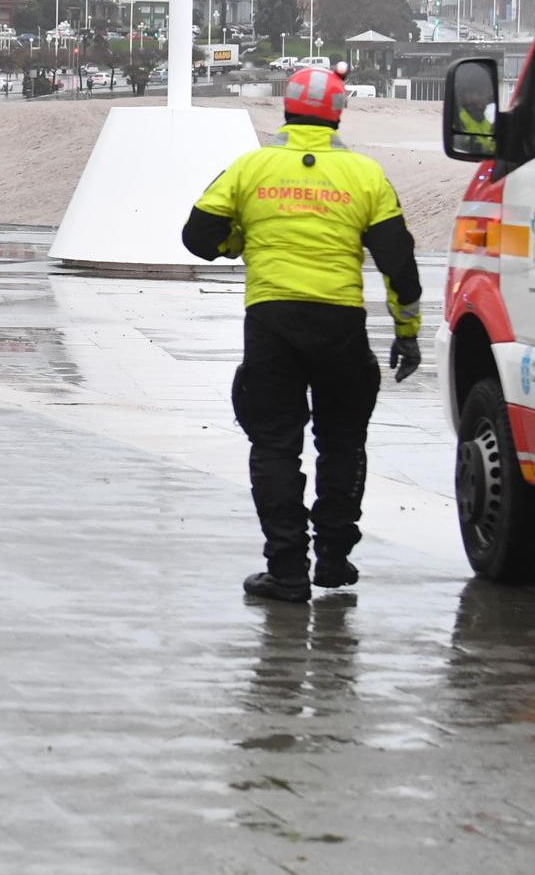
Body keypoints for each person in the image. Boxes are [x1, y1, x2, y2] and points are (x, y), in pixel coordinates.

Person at [181, 66, 422, 604]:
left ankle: (287, 570)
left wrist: (241, 242)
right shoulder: (366, 176)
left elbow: (198, 236)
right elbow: (399, 266)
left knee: (274, 445)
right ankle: (334, 561)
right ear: (338, 114)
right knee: (342, 442)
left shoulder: (251, 168)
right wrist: (407, 334)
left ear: (286, 111)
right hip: (340, 324)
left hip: (271, 323)